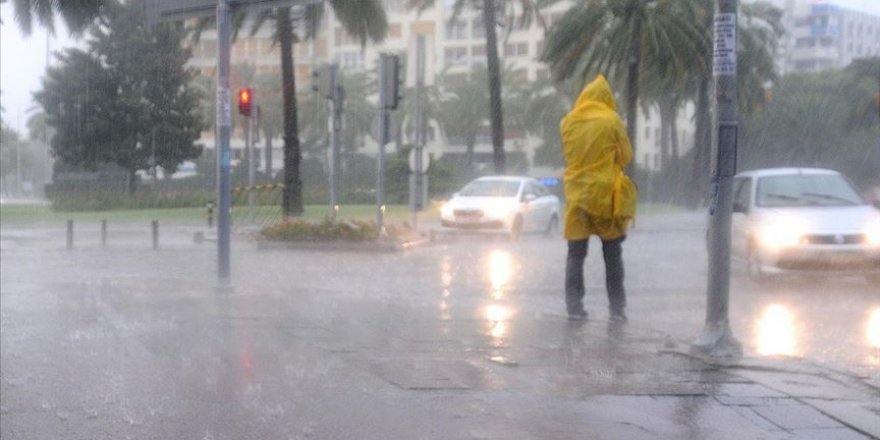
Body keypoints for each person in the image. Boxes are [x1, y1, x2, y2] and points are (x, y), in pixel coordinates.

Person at [560, 75, 637, 322]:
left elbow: (569, 153)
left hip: (577, 196)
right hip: (605, 198)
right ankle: (617, 309)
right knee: (612, 253)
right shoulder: (612, 120)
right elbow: (626, 156)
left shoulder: (568, 121)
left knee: (575, 254)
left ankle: (574, 307)